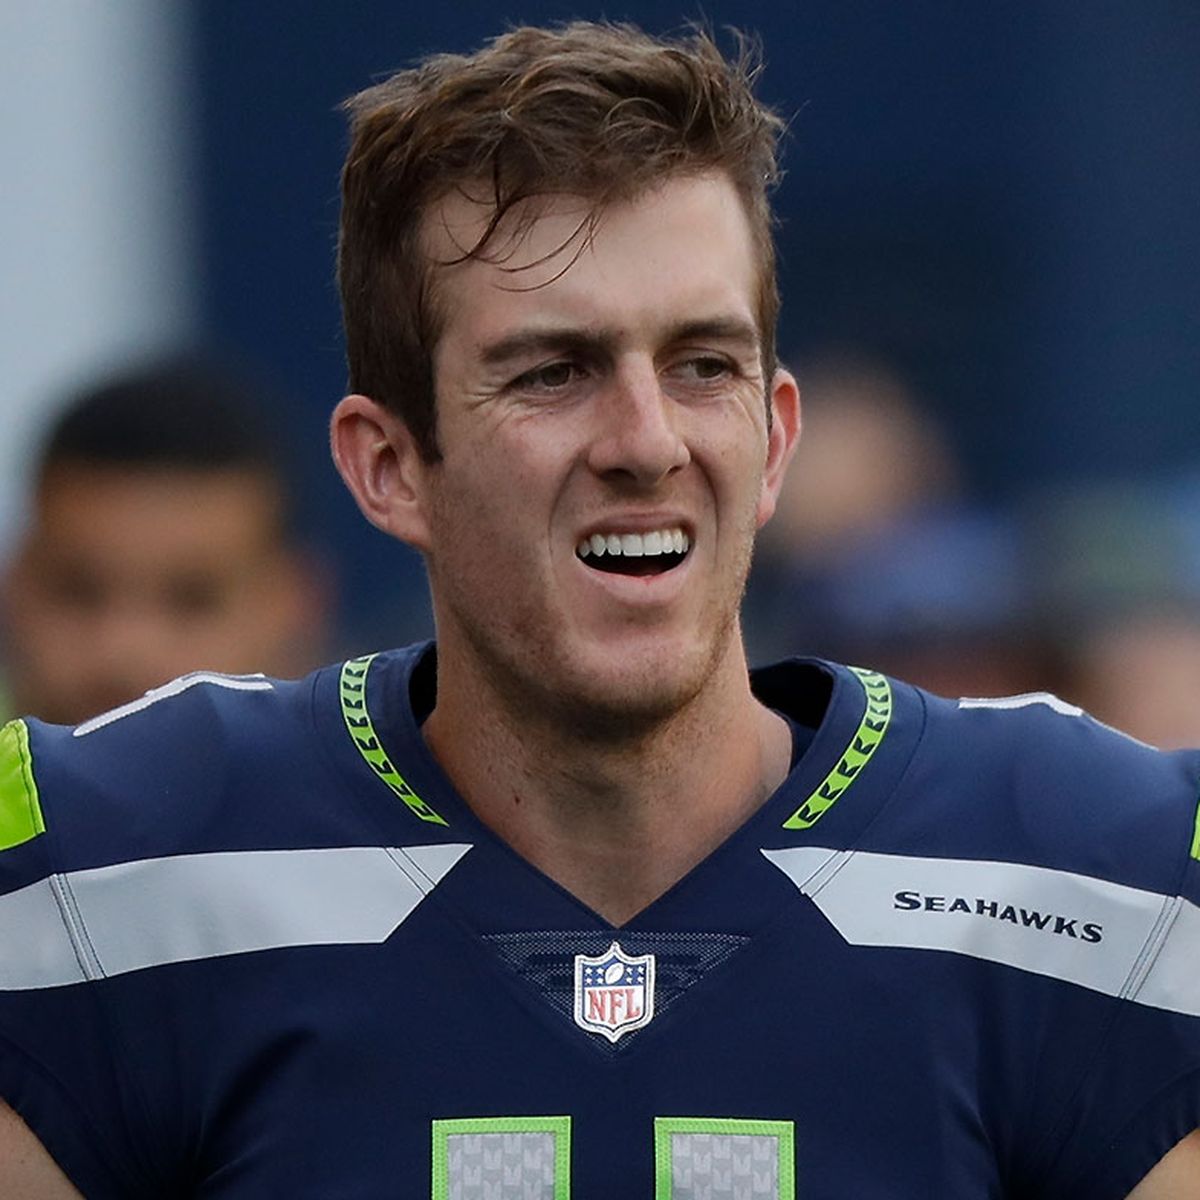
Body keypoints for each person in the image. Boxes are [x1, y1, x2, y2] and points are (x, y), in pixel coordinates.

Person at [0, 21, 1196, 1197]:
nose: (646, 440)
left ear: (776, 440)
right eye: (551, 372)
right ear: (389, 466)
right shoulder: (114, 885)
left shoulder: (1083, 878)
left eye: (703, 364)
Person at [0, 355, 330, 725]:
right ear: (14, 582)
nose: (125, 652)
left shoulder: (388, 779)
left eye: (192, 599)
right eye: (78, 591)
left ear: (296, 604)